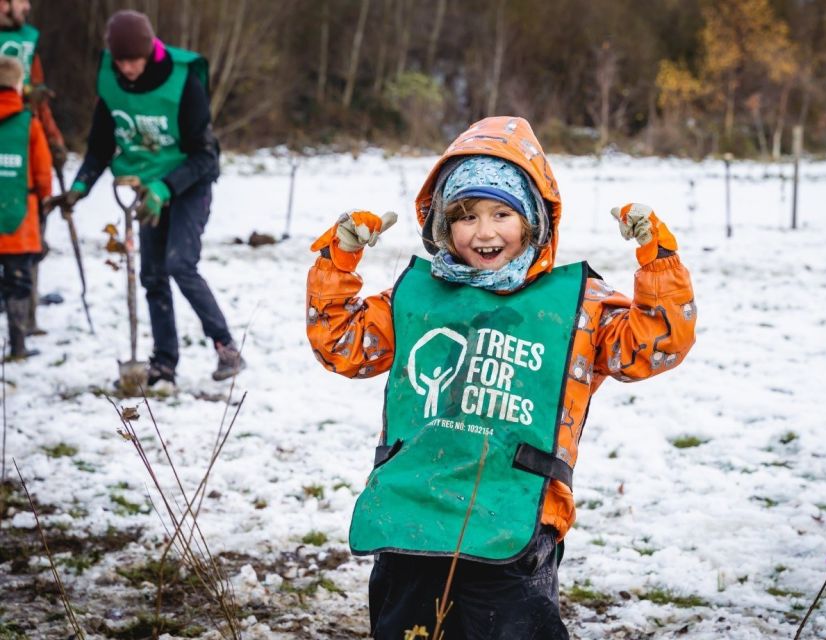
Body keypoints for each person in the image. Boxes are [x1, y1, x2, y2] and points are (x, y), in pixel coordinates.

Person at [305, 116, 697, 639]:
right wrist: (339, 257)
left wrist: (659, 260)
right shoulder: (416, 299)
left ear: (533, 221)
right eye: (464, 216)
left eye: (502, 213)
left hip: (515, 519)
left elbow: (654, 346)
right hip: (413, 516)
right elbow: (342, 345)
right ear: (443, 227)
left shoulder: (573, 307)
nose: (484, 232)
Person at [56, 10, 243, 388]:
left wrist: (165, 188)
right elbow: (100, 146)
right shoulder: (111, 81)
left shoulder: (183, 80)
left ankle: (226, 347)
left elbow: (205, 154)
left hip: (190, 183)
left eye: (134, 60)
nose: (127, 69)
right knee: (152, 274)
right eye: (121, 61)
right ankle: (164, 362)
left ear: (149, 52)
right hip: (147, 188)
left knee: (179, 264)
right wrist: (79, 187)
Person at [0, 0, 68, 335]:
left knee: (28, 238)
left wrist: (51, 137)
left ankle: (25, 320)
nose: (26, 7)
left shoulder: (28, 42)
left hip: (26, 143)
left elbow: (38, 98)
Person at [0, 55, 50, 360]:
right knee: (18, 282)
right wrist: (45, 199)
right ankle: (18, 344)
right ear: (19, 85)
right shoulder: (29, 124)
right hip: (20, 219)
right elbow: (42, 172)